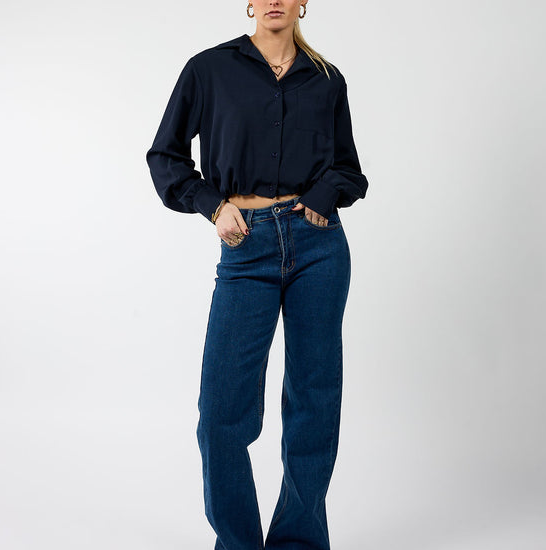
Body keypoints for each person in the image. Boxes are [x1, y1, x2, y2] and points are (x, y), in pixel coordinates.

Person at [146, 1, 369, 548]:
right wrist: (213, 205)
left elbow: (348, 169)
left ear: (302, 3)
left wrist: (322, 196)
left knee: (314, 402)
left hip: (319, 247)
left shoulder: (326, 79)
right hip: (245, 247)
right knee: (222, 413)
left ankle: (299, 542)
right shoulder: (209, 69)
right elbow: (165, 156)